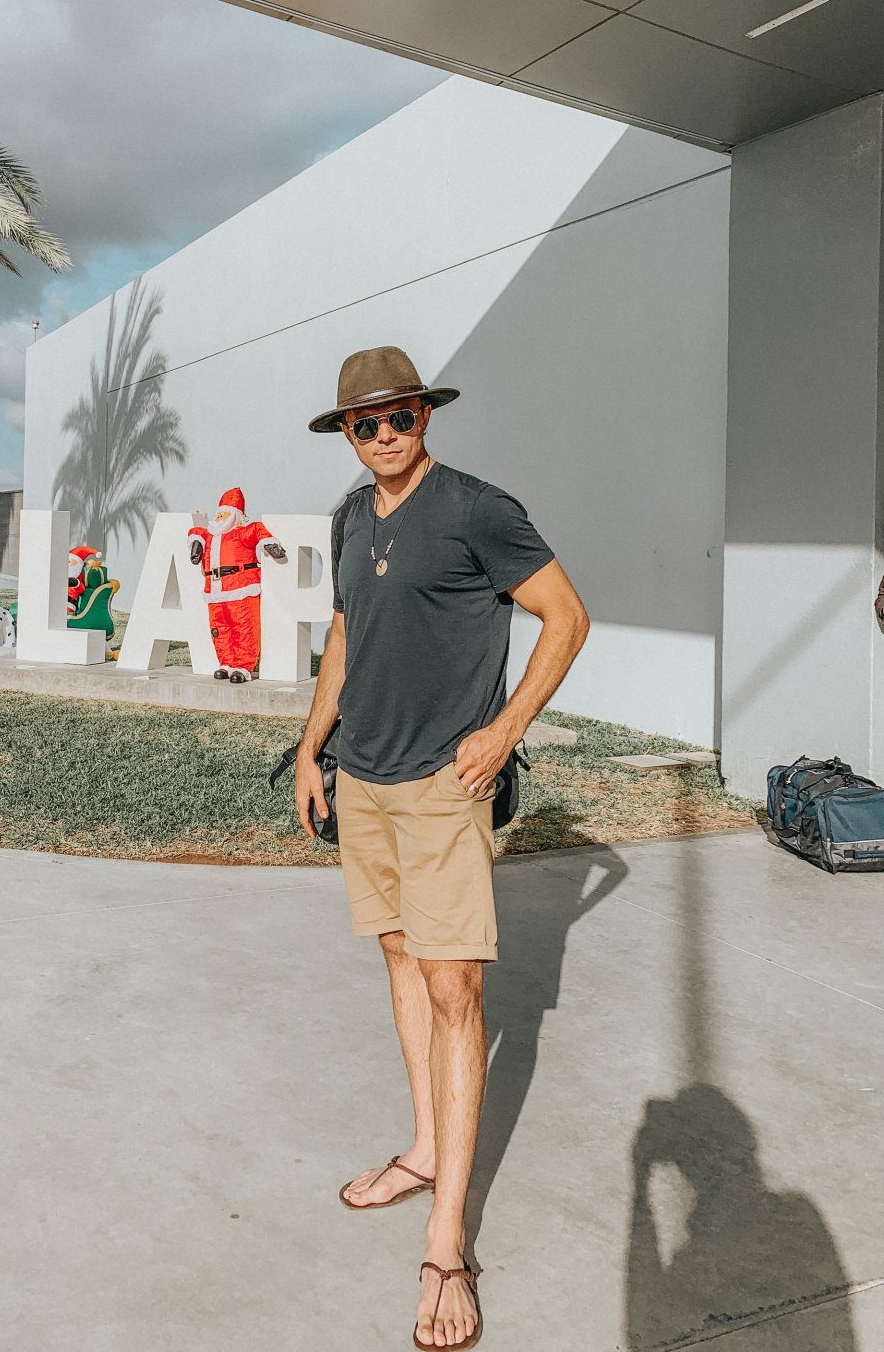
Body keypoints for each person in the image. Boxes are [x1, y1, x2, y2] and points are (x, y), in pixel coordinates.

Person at [295, 347, 589, 1351]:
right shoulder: (345, 516)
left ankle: (447, 1240)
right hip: (363, 779)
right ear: (345, 432)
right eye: (365, 423)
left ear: (426, 414)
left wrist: (504, 731)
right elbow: (344, 635)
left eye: (401, 415)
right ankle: (423, 1147)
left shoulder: (477, 509)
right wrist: (309, 748)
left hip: (441, 784)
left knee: (456, 988)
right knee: (397, 956)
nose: (385, 435)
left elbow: (566, 616)